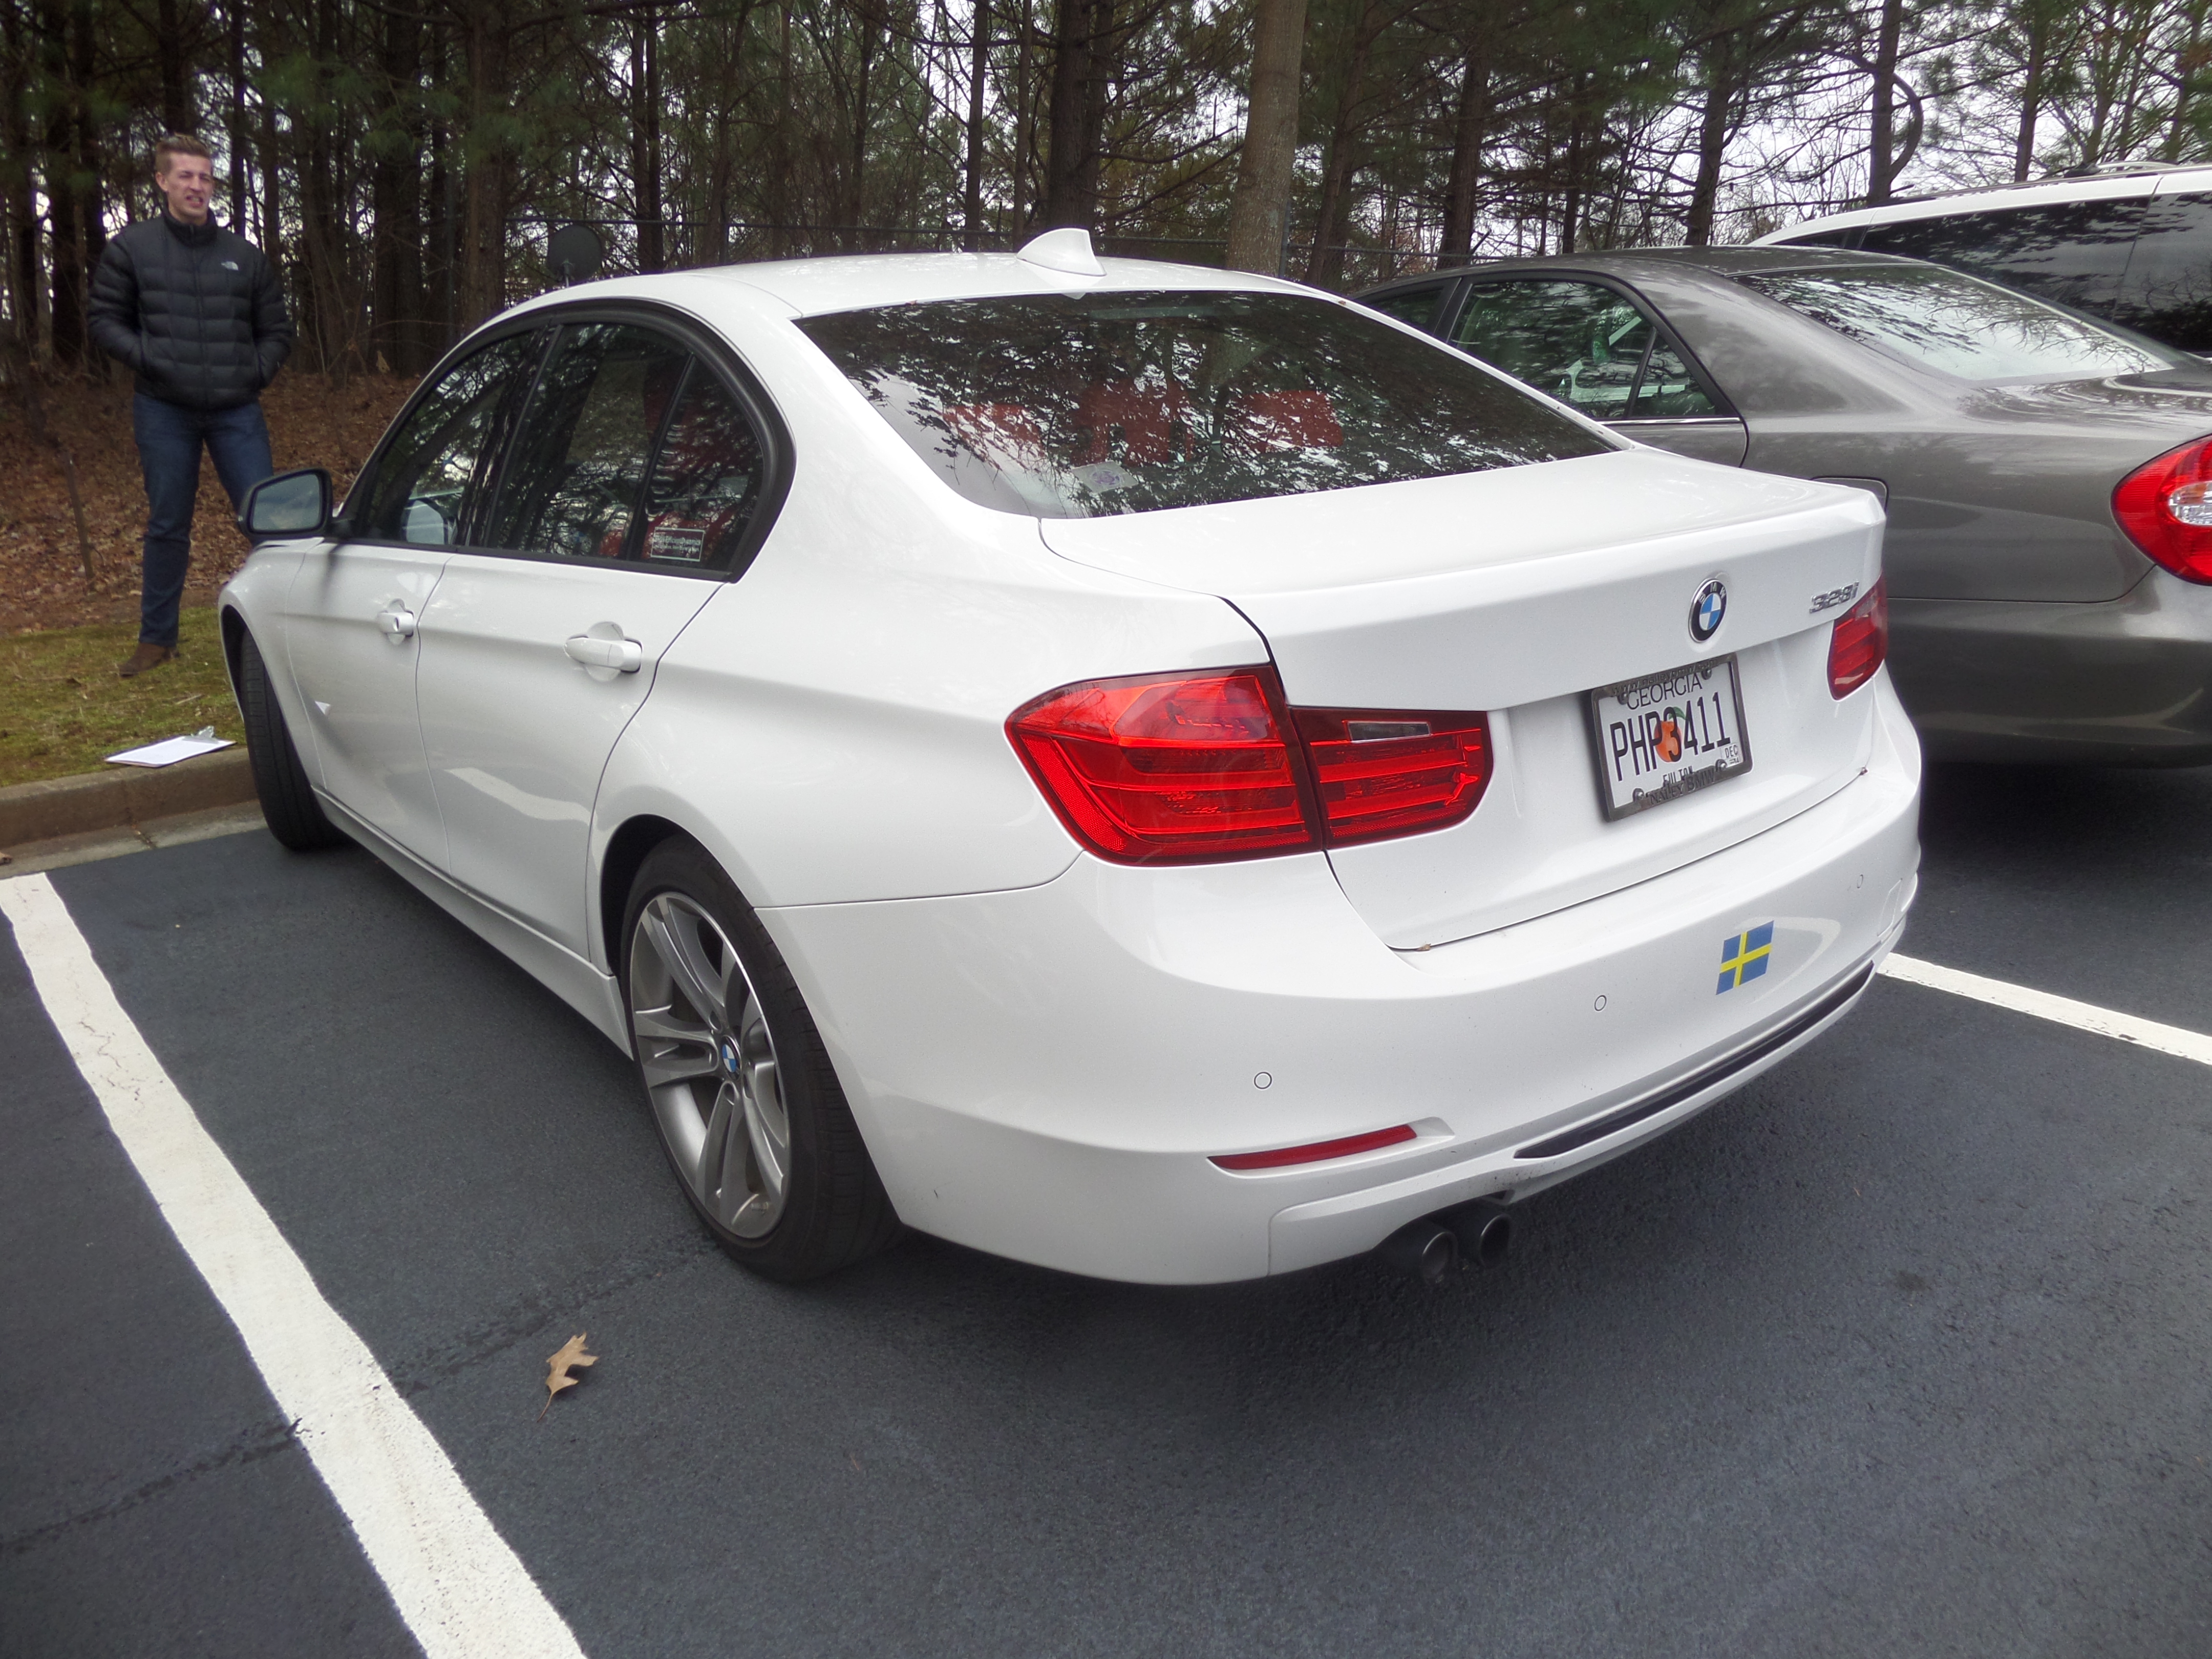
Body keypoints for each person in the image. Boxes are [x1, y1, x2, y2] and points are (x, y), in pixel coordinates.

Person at [89, 133, 293, 677]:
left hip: (236, 410)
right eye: (186, 176)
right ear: (162, 182)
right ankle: (157, 640)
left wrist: (254, 371)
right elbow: (104, 320)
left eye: (205, 177)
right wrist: (150, 358)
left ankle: (288, 631)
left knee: (267, 520)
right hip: (164, 409)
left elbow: (276, 330)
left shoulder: (244, 257)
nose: (197, 186)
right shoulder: (132, 248)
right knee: (168, 524)